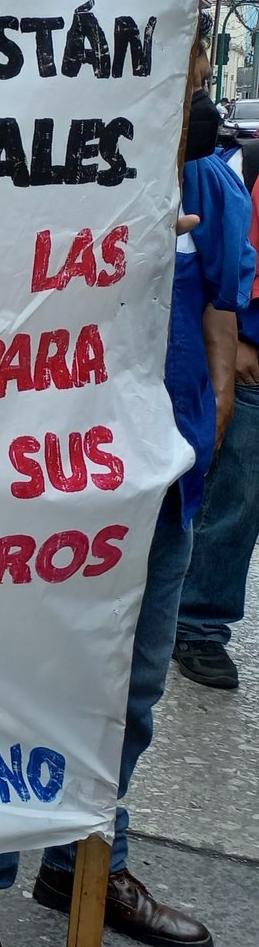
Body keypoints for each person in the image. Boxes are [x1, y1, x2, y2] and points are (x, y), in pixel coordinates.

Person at [0, 50, 249, 947]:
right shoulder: (29, 162)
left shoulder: (205, 179)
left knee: (128, 702)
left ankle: (87, 865)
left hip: (161, 492)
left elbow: (220, 307)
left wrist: (210, 416)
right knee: (11, 701)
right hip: (42, 496)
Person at [173, 136, 259, 689]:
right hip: (252, 360)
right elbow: (227, 283)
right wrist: (236, 354)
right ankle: (200, 624)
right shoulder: (229, 168)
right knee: (235, 501)